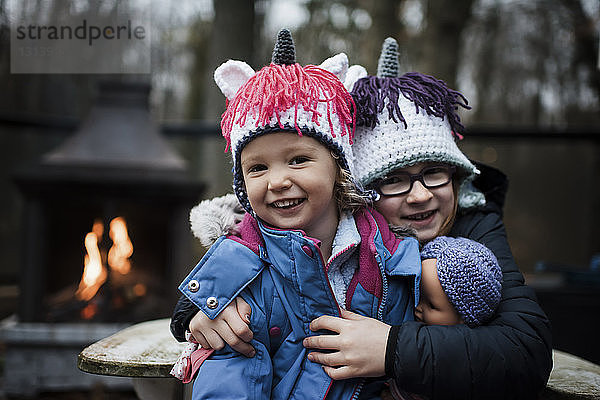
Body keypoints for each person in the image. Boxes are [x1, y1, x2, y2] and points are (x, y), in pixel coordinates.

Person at [172, 37, 553, 399]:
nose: (420, 195)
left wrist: (390, 349)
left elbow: (524, 350)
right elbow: (239, 250)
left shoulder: (473, 225)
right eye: (393, 180)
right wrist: (198, 308)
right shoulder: (297, 231)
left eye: (435, 172)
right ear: (357, 189)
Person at [172, 29, 423, 399]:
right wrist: (191, 311)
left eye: (298, 160)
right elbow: (229, 374)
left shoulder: (393, 258)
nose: (277, 181)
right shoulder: (241, 274)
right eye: (257, 168)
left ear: (339, 166)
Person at [382, 236, 502, 400]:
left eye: (431, 305)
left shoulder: (463, 367)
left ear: (466, 317)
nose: (418, 307)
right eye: (418, 294)